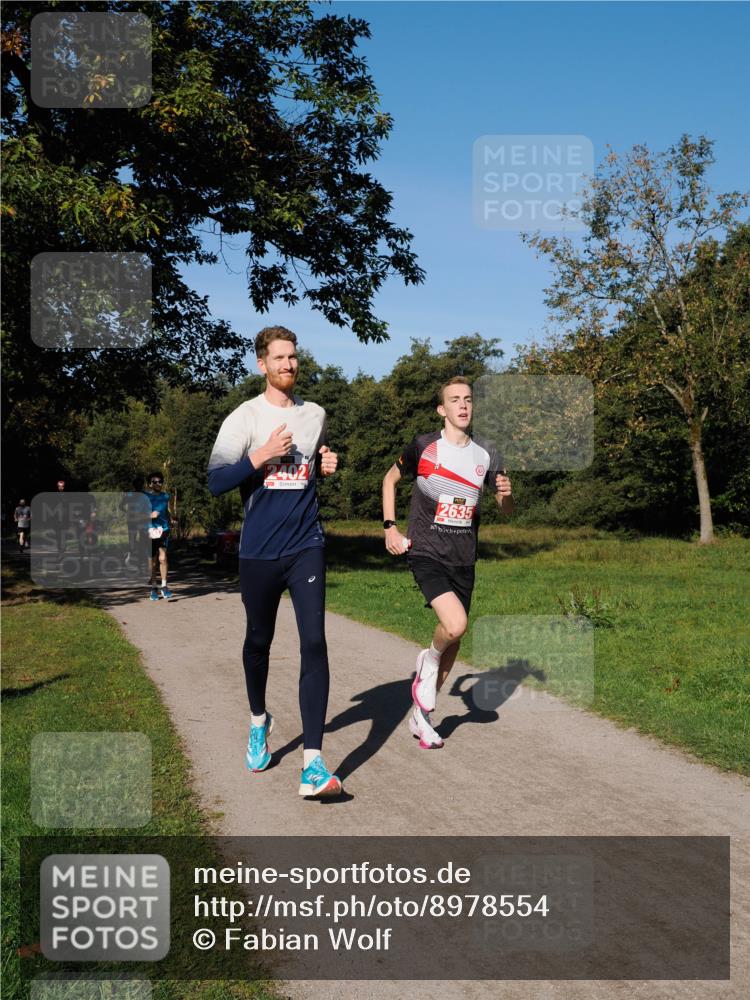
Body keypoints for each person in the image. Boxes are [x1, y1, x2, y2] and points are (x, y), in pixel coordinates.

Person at [207, 325, 342, 799]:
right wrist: (260, 455)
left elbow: (309, 468)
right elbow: (216, 481)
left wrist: (325, 463)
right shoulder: (243, 418)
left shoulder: (315, 414)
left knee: (314, 642)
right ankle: (258, 721)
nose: (289, 365)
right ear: (261, 365)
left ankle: (312, 764)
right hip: (259, 551)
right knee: (258, 642)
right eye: (279, 358)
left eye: (293, 357)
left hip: (306, 544)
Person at [382, 376, 513, 749]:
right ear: (442, 409)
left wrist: (506, 495)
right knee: (455, 625)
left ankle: (422, 717)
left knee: (455, 640)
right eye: (455, 400)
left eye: (468, 399)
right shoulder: (424, 447)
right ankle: (428, 659)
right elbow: (390, 480)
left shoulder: (488, 453)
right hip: (426, 551)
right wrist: (390, 528)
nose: (463, 405)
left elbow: (506, 510)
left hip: (463, 558)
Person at [145, 472, 174, 601]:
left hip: (163, 530)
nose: (158, 484)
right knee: (153, 560)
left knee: (163, 558)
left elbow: (168, 511)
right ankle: (153, 588)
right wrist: (149, 516)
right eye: (155, 481)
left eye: (160, 481)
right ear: (150, 484)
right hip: (150, 530)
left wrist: (172, 518)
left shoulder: (165, 496)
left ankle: (164, 586)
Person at [121, 476, 150, 570]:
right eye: (138, 484)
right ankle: (135, 559)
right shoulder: (135, 494)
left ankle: (139, 561)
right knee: (135, 541)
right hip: (136, 521)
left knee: (138, 541)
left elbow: (120, 506)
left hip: (138, 521)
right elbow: (121, 505)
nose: (139, 486)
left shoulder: (132, 494)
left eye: (140, 484)